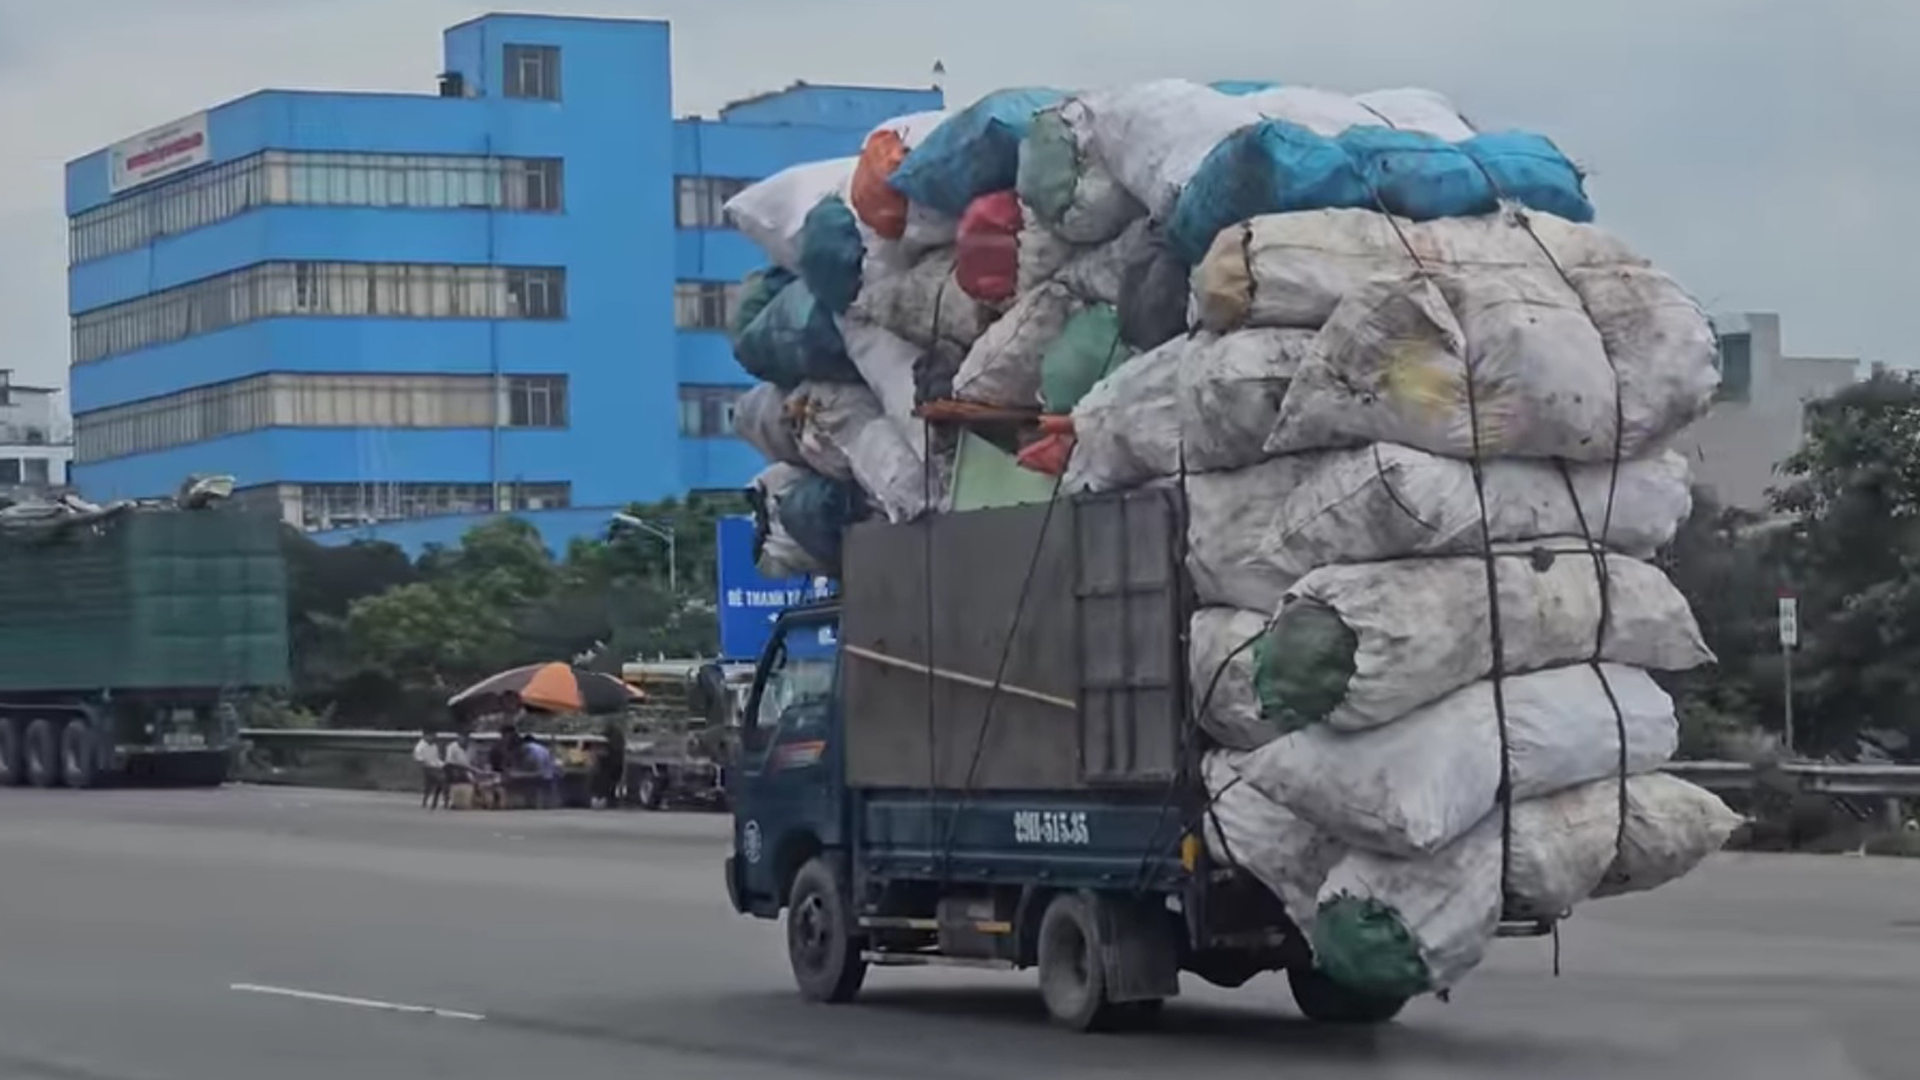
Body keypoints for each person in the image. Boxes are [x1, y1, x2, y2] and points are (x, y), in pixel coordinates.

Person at [594, 717, 628, 809]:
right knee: (612, 783)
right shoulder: (616, 735)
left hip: (610, 763)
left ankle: (608, 800)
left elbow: (612, 748)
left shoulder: (611, 735)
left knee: (607, 782)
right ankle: (612, 801)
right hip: (616, 763)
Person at [521, 737, 560, 809]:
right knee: (546, 789)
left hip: (539, 772)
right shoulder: (543, 748)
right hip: (548, 773)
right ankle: (549, 804)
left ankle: (533, 804)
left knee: (531, 786)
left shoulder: (528, 746)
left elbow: (530, 760)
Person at [412, 728, 446, 810]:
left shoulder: (434, 746)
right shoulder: (420, 746)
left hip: (435, 767)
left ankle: (438, 800)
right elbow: (418, 758)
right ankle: (433, 800)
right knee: (440, 779)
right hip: (427, 768)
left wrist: (443, 764)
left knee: (445, 777)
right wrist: (427, 763)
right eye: (432, 736)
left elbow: (436, 758)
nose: (434, 738)